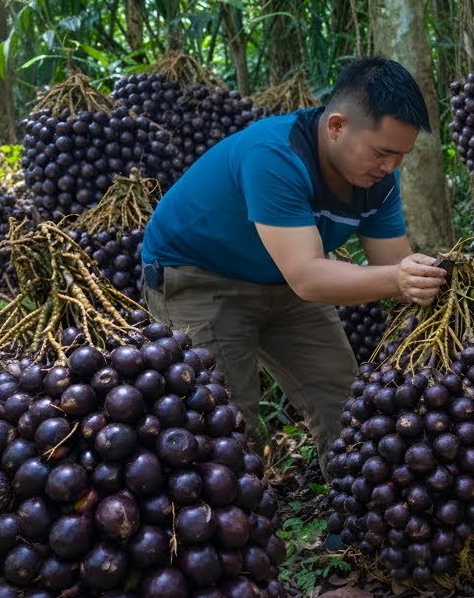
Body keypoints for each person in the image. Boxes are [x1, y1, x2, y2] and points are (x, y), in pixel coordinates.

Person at [140, 56, 448, 463]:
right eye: (382, 152)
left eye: (401, 156)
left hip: (284, 280)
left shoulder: (380, 181)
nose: (391, 167)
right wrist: (399, 279)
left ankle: (356, 520)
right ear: (337, 126)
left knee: (347, 407)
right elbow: (310, 276)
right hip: (199, 276)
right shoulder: (275, 155)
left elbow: (392, 263)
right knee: (221, 424)